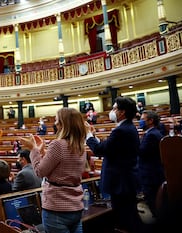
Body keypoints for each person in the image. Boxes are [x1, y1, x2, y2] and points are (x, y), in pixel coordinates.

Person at [20, 107, 87, 233]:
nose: (54, 123)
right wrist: (43, 151)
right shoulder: (80, 146)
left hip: (57, 208)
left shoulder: (58, 145)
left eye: (57, 120)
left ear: (63, 124)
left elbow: (40, 171)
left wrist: (33, 149)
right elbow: (63, 165)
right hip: (76, 206)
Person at [86, 96, 140, 233]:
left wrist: (88, 136)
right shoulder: (127, 128)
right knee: (128, 217)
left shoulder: (121, 130)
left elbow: (99, 150)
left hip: (121, 182)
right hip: (125, 180)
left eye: (114, 108)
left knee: (124, 219)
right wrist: (94, 137)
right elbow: (109, 148)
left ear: (122, 112)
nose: (112, 111)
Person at [138, 110, 165, 219]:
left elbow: (142, 152)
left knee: (154, 204)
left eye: (142, 120)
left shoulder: (152, 135)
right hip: (153, 174)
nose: (140, 122)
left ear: (151, 121)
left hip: (151, 176)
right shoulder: (153, 133)